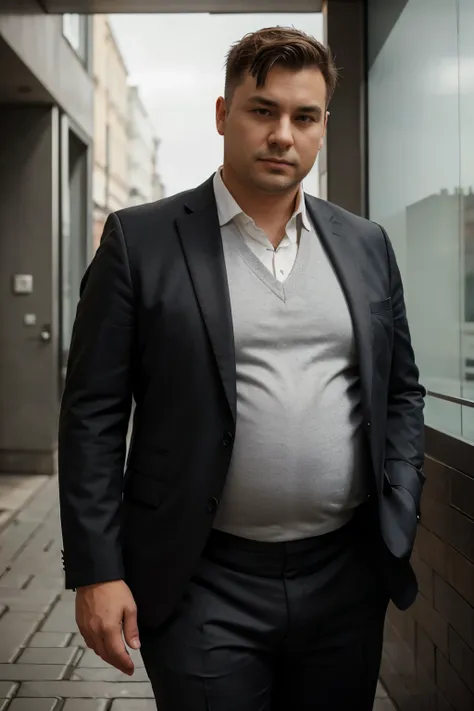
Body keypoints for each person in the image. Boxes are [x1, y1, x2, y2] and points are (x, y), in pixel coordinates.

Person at [58, 26, 425, 711]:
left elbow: (400, 390)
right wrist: (96, 569)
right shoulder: (141, 242)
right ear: (224, 115)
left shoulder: (366, 244)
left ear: (321, 128)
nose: (284, 134)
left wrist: (399, 505)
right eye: (264, 110)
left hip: (344, 578)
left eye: (304, 117)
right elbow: (92, 416)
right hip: (200, 579)